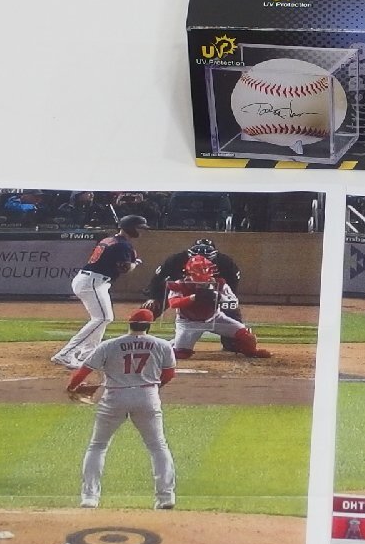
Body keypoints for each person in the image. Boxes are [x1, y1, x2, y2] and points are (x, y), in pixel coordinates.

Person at [65, 309, 177, 510]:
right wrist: (151, 389)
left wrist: (71, 387)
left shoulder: (109, 345)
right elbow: (169, 374)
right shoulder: (162, 345)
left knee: (97, 446)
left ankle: (90, 498)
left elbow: (82, 372)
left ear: (129, 323)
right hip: (147, 396)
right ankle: (165, 497)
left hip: (114, 396)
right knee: (158, 447)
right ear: (149, 325)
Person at [52, 214, 148, 368]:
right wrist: (135, 262)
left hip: (91, 280)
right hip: (94, 282)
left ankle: (87, 355)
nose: (141, 231)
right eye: (139, 228)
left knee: (101, 318)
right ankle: (66, 354)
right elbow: (124, 268)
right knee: (103, 318)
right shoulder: (122, 245)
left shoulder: (110, 240)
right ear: (129, 228)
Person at [159, 254, 272, 360]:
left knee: (246, 336)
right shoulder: (180, 284)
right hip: (189, 322)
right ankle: (168, 345)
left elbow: (233, 303)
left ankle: (252, 351)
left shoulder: (220, 283)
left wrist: (218, 297)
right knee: (181, 354)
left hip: (215, 318)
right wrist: (193, 298)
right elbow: (173, 303)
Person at [145, 237, 244, 351]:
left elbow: (231, 289)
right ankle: (138, 336)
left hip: (211, 293)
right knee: (149, 308)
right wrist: (153, 297)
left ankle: (231, 342)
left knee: (231, 310)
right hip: (181, 289)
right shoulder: (176, 260)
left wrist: (221, 300)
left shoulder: (226, 263)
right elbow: (158, 279)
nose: (200, 260)